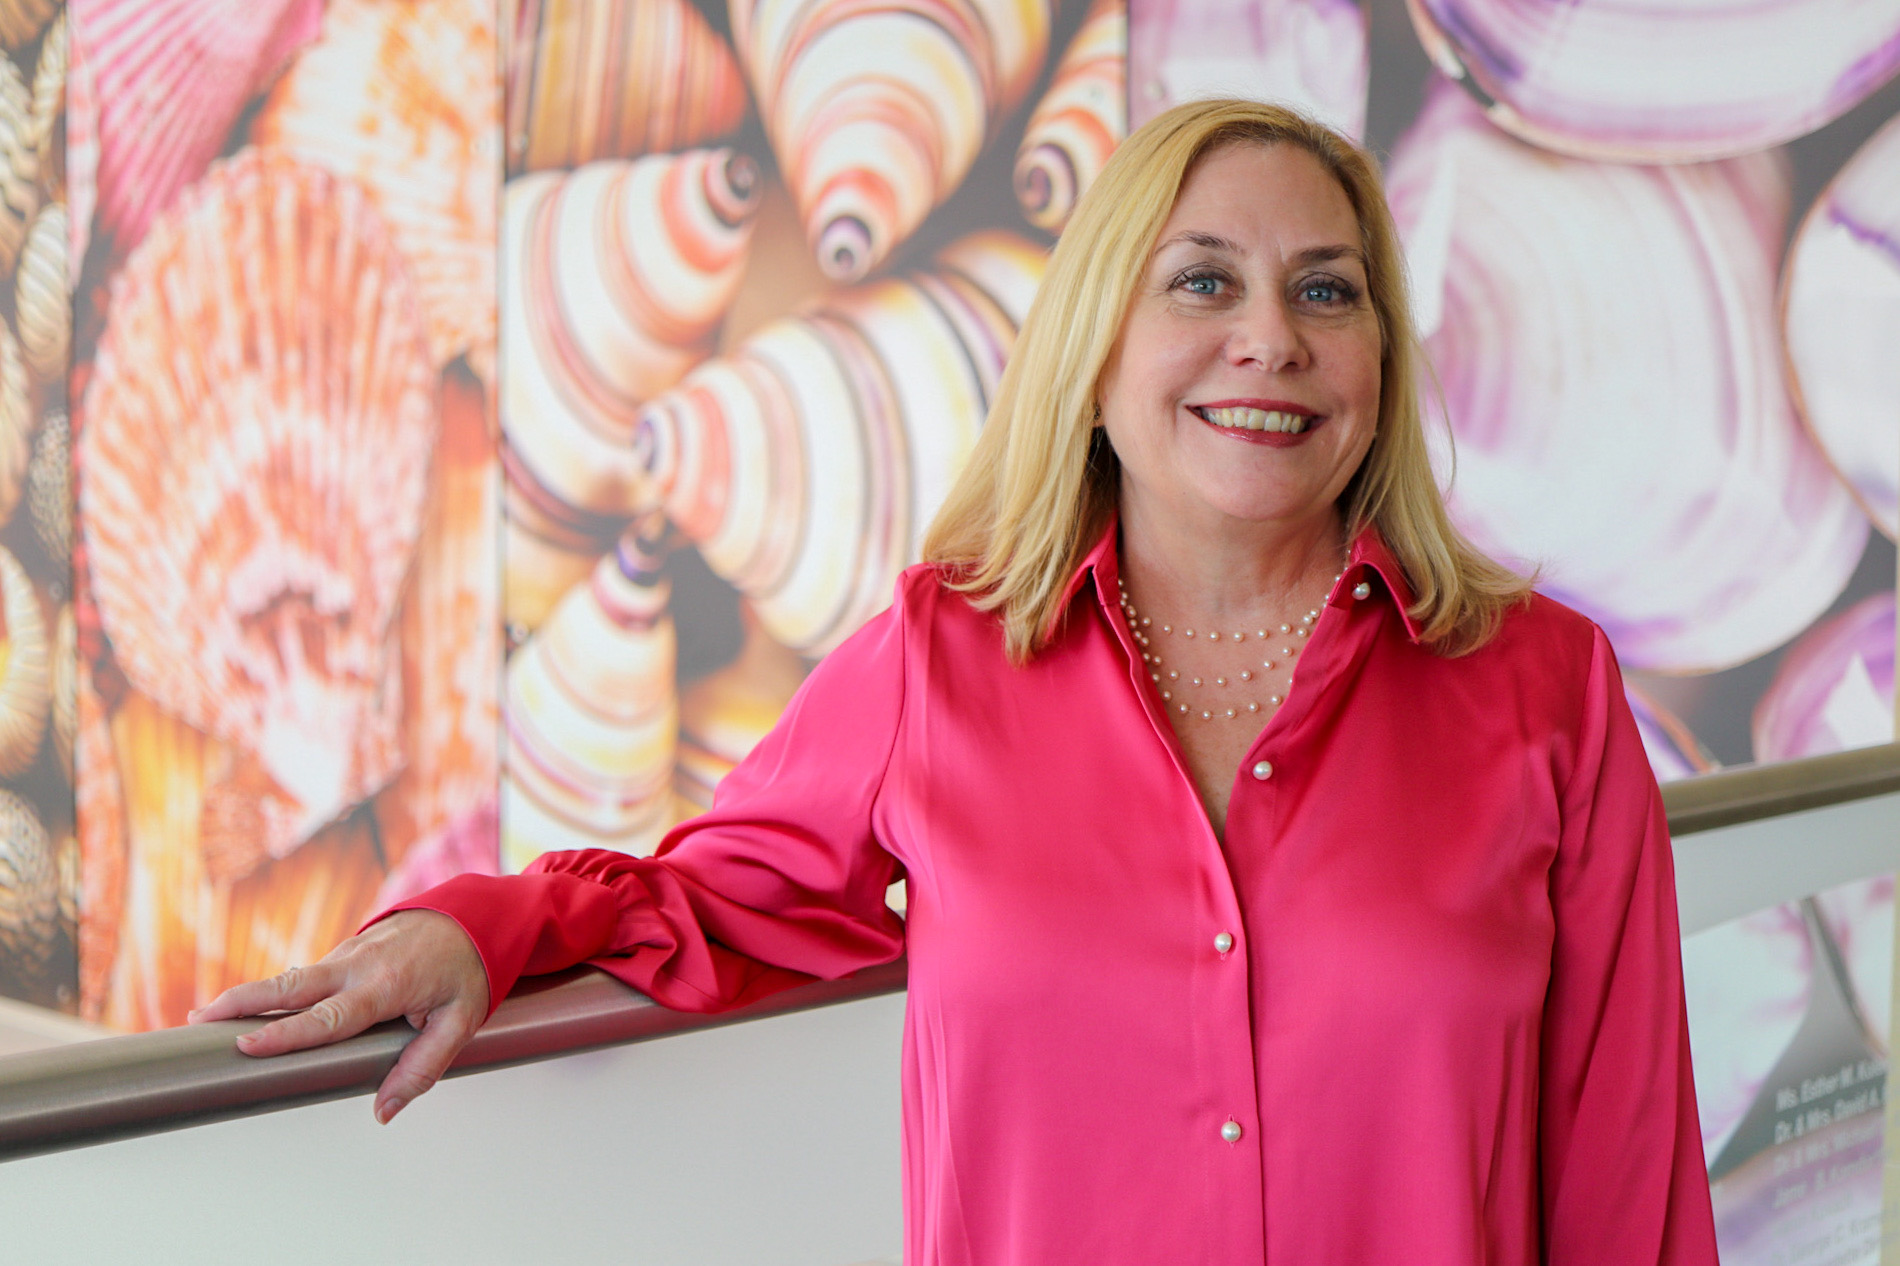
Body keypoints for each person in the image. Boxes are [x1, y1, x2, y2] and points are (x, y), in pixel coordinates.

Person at [192, 99, 1719, 1263]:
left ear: (1380, 357)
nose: (1271, 341)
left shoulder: (1546, 690)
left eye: (1329, 293)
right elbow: (714, 895)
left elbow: (1629, 1171)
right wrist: (479, 927)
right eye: (1203, 283)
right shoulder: (943, 660)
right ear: (1101, 348)